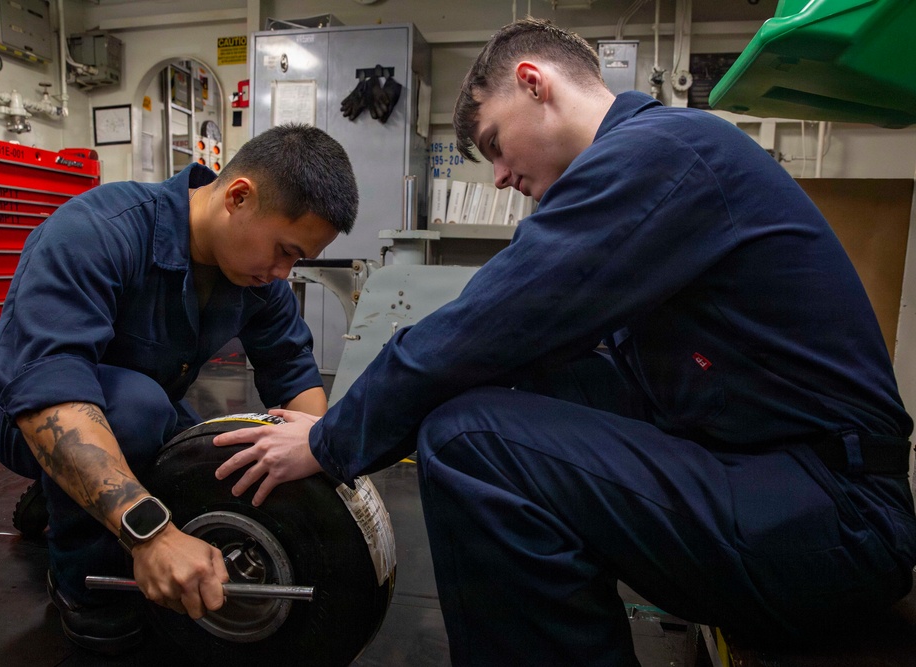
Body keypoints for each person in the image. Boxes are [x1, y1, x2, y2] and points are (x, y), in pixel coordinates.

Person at [213, 18, 916, 666]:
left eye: (494, 143)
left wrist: (330, 441)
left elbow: (490, 320)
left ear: (533, 83)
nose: (498, 176)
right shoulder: (663, 155)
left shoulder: (661, 154)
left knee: (469, 441)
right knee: (488, 393)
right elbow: (517, 348)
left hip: (835, 517)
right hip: (777, 476)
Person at [0, 123, 358, 654]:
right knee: (137, 413)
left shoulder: (257, 276)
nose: (283, 271)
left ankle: (68, 492)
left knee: (211, 455)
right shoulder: (96, 230)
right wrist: (151, 535)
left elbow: (294, 378)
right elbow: (47, 394)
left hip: (129, 401)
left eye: (297, 260)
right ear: (238, 197)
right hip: (22, 406)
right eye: (283, 250)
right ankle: (81, 583)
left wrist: (317, 460)